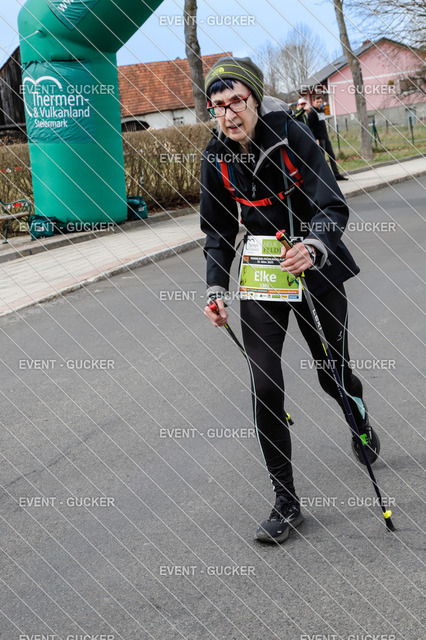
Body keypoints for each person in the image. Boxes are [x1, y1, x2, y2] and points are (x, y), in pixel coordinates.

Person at [200, 56, 379, 544]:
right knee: (264, 385)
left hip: (314, 267)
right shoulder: (215, 156)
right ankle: (286, 501)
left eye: (237, 101)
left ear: (255, 100)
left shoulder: (293, 136)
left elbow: (332, 205)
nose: (229, 113)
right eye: (219, 106)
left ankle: (357, 416)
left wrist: (314, 246)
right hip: (264, 274)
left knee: (331, 373)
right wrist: (216, 290)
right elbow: (217, 231)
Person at [308, 94, 348, 181]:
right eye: (317, 102)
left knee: (332, 156)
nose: (319, 103)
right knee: (322, 158)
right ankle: (324, 177)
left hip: (325, 137)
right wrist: (315, 138)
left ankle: (336, 175)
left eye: (320, 102)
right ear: (313, 102)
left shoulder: (322, 110)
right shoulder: (311, 113)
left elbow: (322, 123)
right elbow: (310, 128)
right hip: (319, 138)